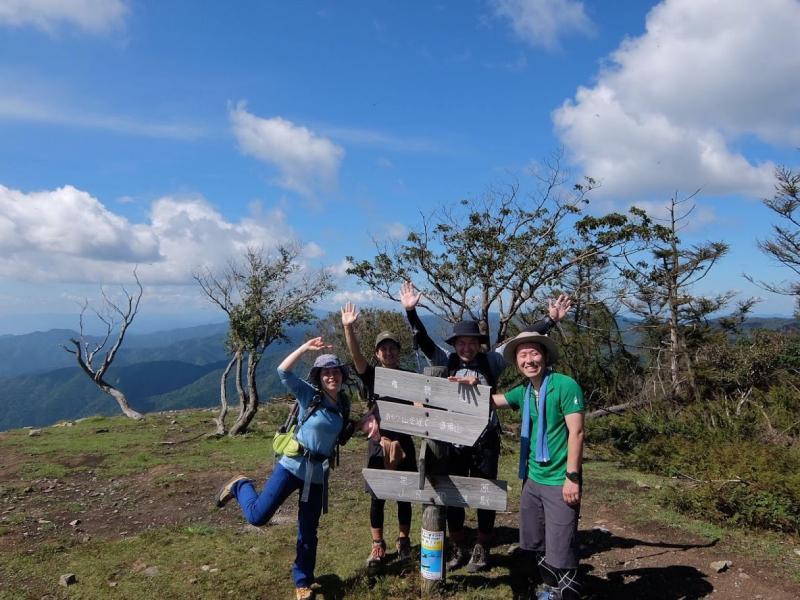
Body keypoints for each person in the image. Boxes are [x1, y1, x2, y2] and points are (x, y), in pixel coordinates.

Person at [399, 281, 570, 572]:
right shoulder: (447, 359)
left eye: (471, 342)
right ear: (454, 344)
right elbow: (425, 342)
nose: (466, 347)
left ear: (480, 344)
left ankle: (481, 546)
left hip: (485, 439)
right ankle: (458, 545)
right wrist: (411, 312)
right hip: (451, 440)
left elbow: (522, 339)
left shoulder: (492, 361)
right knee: (452, 492)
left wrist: (550, 320)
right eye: (461, 342)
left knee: (485, 493)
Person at [214, 337, 354, 600]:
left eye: (335, 371)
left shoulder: (343, 405)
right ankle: (240, 485)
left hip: (317, 475)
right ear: (319, 376)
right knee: (257, 517)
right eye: (326, 372)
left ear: (341, 375)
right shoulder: (308, 395)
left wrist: (365, 423)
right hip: (290, 466)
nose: (332, 376)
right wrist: (304, 349)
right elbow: (282, 371)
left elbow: (339, 435)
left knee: (308, 529)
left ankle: (303, 582)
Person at [492, 330, 585, 600]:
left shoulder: (565, 386)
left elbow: (577, 433)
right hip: (532, 480)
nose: (529, 360)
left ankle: (566, 592)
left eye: (534, 353)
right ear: (517, 361)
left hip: (560, 480)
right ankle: (549, 590)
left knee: (561, 546)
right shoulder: (525, 391)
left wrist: (572, 477)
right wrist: (466, 386)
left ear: (544, 356)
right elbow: (495, 401)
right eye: (523, 355)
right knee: (535, 543)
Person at [340, 302, 417, 572]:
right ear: (377, 353)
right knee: (378, 496)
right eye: (383, 348)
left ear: (398, 351)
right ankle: (378, 544)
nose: (388, 351)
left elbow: (420, 405)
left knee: (405, 494)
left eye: (392, 347)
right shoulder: (372, 376)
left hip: (405, 441)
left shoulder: (410, 378)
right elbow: (356, 355)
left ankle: (404, 539)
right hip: (379, 443)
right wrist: (348, 327)